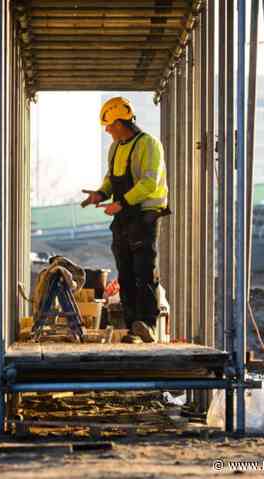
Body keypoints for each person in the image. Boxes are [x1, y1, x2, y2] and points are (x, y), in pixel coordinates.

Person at [81, 97, 169, 343]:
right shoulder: (116, 147)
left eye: (109, 125)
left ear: (121, 122)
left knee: (145, 270)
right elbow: (112, 179)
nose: (107, 130)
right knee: (126, 274)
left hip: (145, 215)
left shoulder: (149, 145)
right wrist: (100, 193)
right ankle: (134, 328)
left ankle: (148, 324)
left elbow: (149, 183)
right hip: (123, 217)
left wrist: (122, 202)